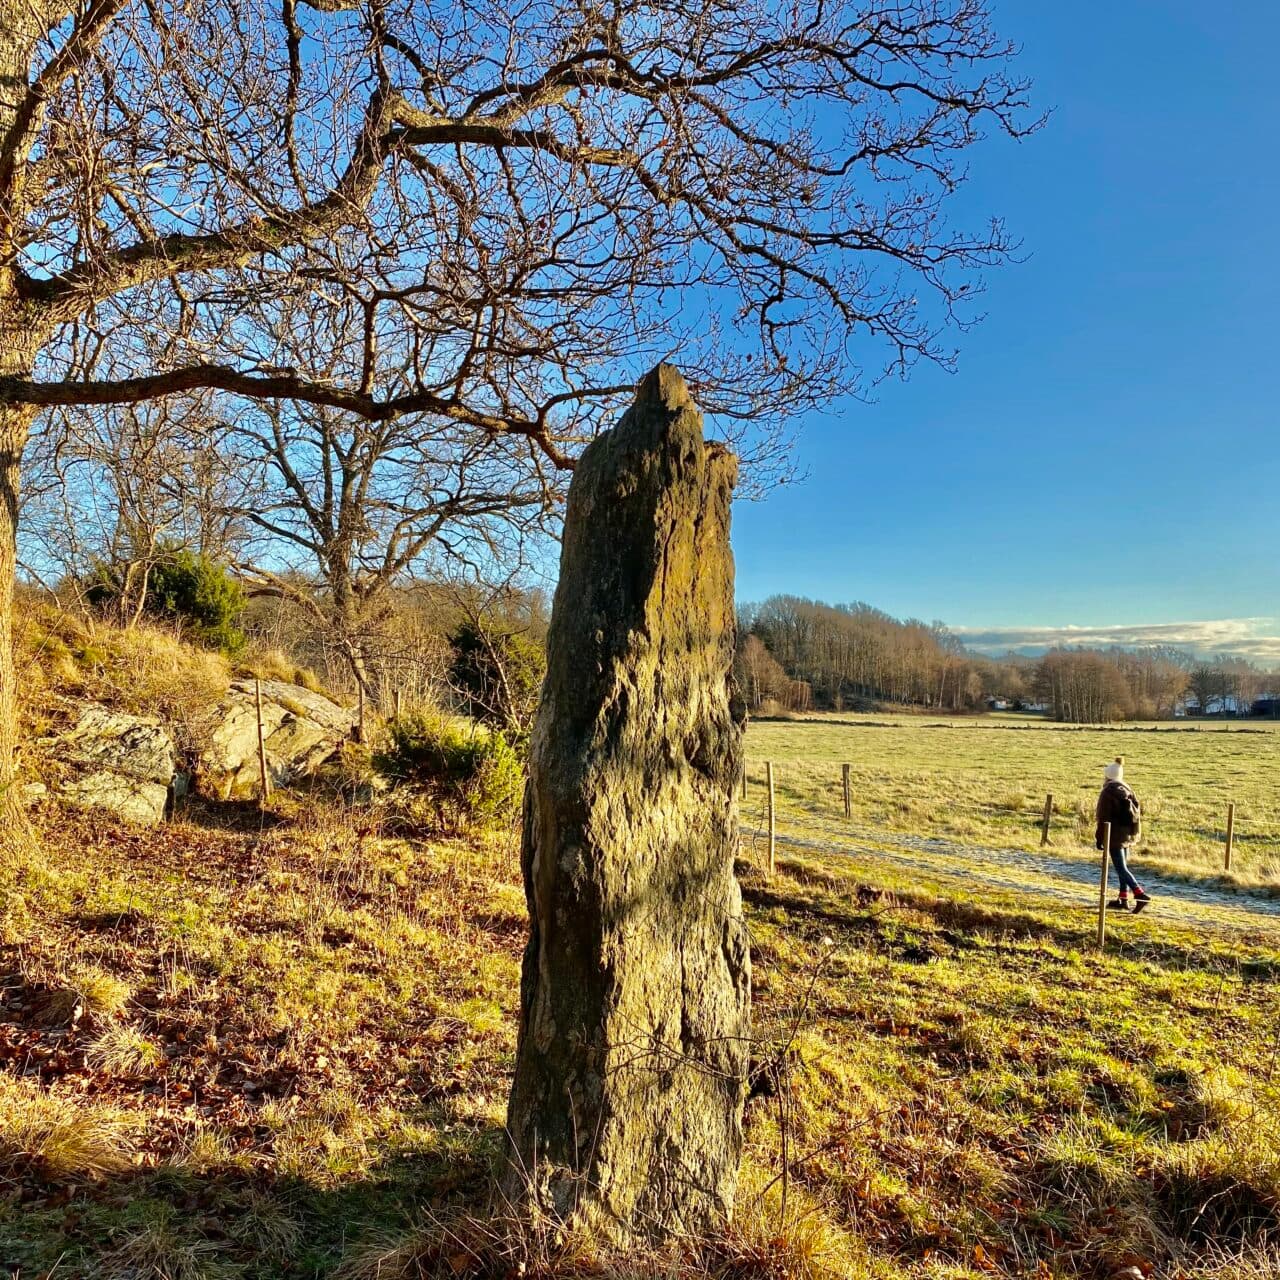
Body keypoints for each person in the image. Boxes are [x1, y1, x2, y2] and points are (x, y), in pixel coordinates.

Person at [1096, 756, 1151, 913]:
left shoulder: (1107, 791)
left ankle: (1140, 895)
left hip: (1114, 835)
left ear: (1108, 776)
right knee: (1123, 867)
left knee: (1120, 868)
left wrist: (1099, 837)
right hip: (1128, 834)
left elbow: (1102, 817)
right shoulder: (1127, 788)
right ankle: (1123, 899)